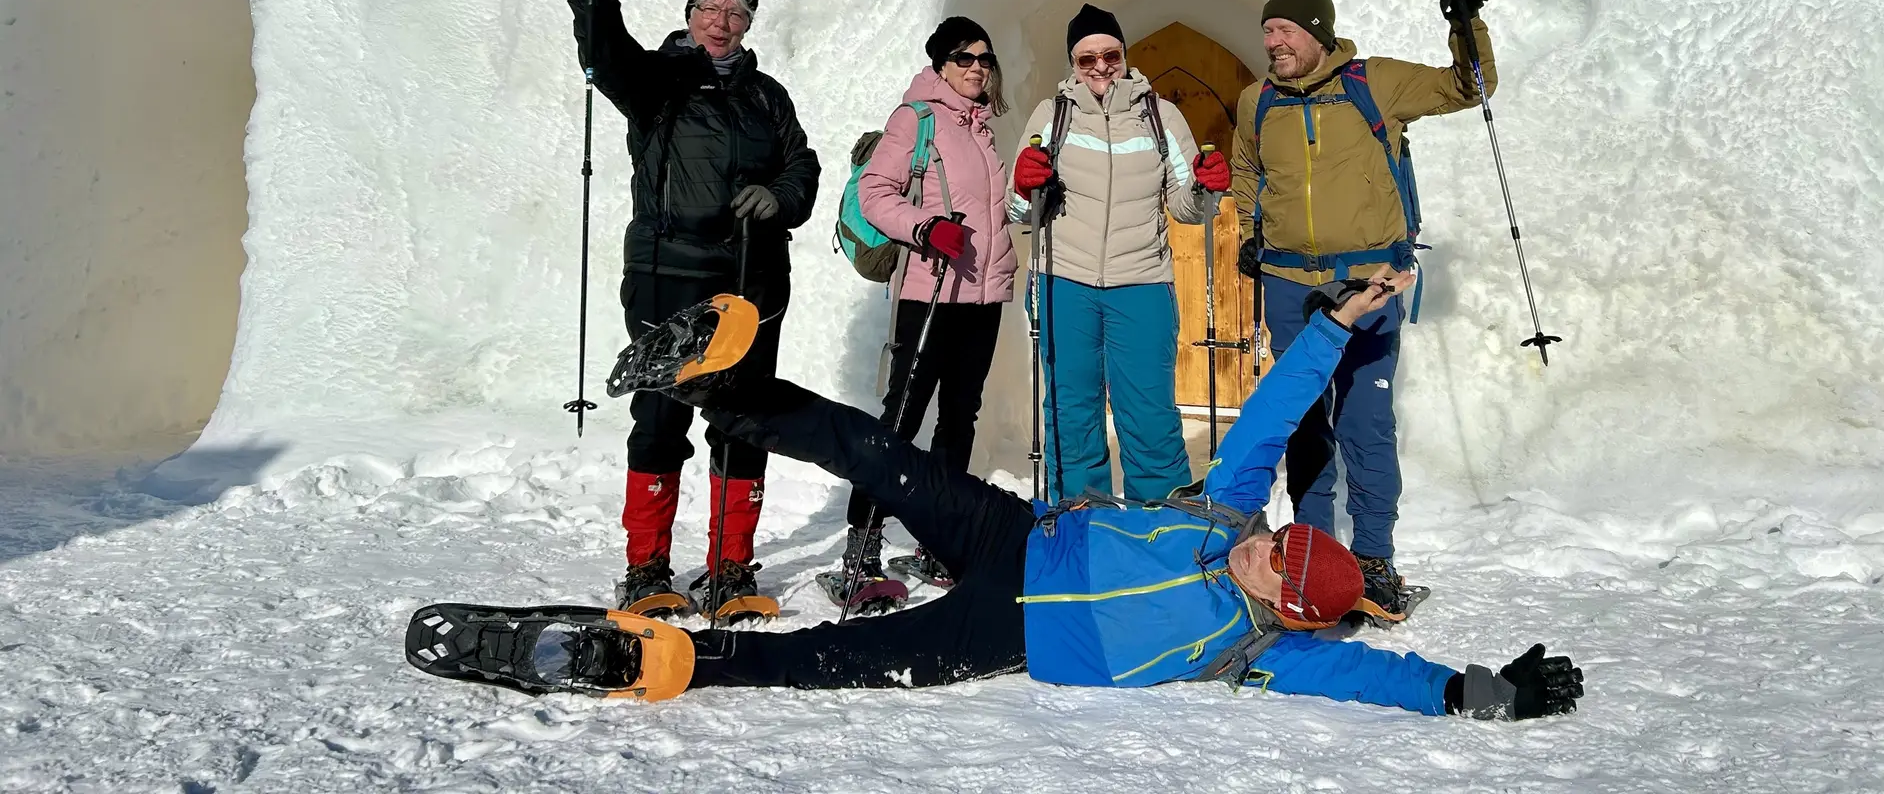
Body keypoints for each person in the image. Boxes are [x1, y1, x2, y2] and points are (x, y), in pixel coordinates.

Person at [420, 270, 1581, 721]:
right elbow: (1272, 420)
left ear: (1289, 607)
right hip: (1014, 534)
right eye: (1277, 539)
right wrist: (1331, 327)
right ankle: (734, 382)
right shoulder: (1227, 513)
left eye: (1280, 566)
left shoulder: (1258, 651)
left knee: (839, 662)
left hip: (1006, 629)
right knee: (880, 456)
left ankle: (663, 663)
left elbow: (1378, 676)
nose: (1263, 549)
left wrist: (1481, 692)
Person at [1230, 0, 1502, 619]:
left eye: (1285, 30)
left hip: (1371, 281)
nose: (1272, 43)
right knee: (1304, 425)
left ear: (1318, 32)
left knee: (1366, 422)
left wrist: (1465, 23)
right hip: (1291, 285)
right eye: (1266, 31)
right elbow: (1245, 165)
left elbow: (1470, 88)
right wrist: (1250, 230)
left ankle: (1375, 557)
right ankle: (1313, 554)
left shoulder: (1373, 83)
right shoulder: (1256, 100)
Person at [570, 0, 821, 619]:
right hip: (667, 271)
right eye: (711, 6)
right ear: (689, 13)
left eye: (738, 12)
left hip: (751, 279)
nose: (722, 20)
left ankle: (729, 572)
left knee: (741, 420)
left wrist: (779, 197)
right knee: (660, 415)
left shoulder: (768, 96)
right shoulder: (655, 82)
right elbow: (605, 55)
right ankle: (647, 570)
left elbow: (802, 164)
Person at [1008, 3, 1232, 502]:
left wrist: (1204, 188)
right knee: (1071, 413)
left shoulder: (1160, 116)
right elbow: (1019, 211)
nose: (1100, 67)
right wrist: (1025, 185)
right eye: (1086, 59)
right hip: (1063, 281)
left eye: (1110, 54)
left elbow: (1186, 206)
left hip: (1142, 283)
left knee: (1149, 413)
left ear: (1125, 55)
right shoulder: (1053, 115)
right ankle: (1078, 523)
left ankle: (1159, 527)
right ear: (1073, 64)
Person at [826, 16, 1016, 601]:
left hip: (982, 295)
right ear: (940, 65)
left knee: (961, 418)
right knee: (903, 416)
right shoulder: (917, 119)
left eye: (985, 57)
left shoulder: (982, 126)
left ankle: (942, 541)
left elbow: (991, 211)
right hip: (929, 291)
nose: (977, 67)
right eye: (964, 58)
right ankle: (863, 545)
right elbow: (874, 193)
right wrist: (926, 228)